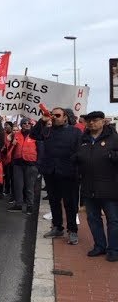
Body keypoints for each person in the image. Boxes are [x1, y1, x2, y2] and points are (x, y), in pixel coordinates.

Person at [31, 107, 82, 245]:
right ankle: (57, 227)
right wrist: (42, 121)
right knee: (54, 201)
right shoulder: (47, 130)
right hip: (50, 172)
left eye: (57, 115)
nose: (54, 117)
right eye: (52, 115)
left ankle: (72, 230)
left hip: (68, 173)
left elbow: (79, 153)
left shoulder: (76, 132)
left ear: (65, 117)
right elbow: (33, 135)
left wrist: (74, 168)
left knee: (69, 203)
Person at [72, 111, 118, 262]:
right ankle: (100, 246)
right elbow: (77, 156)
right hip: (88, 186)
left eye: (95, 120)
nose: (91, 123)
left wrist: (113, 156)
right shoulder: (83, 139)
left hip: (110, 187)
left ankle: (114, 249)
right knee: (93, 218)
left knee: (113, 220)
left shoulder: (114, 138)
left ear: (103, 121)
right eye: (89, 121)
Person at [7, 118, 38, 215]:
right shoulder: (16, 135)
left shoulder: (35, 135)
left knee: (29, 186)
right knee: (18, 186)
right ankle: (18, 204)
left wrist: (39, 164)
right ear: (21, 125)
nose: (27, 124)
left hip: (31, 164)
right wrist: (12, 144)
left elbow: (41, 149)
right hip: (18, 164)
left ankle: (30, 206)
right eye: (24, 123)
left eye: (28, 123)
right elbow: (9, 148)